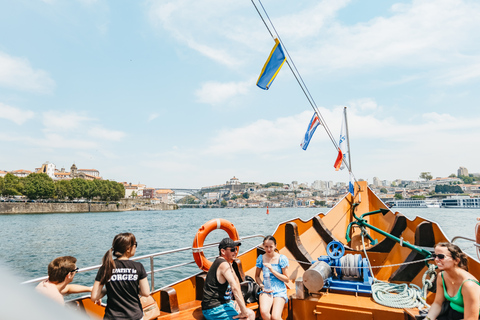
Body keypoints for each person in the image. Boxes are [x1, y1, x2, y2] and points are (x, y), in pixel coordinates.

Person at [91, 233, 150, 320]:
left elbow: (94, 297)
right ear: (128, 249)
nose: (136, 247)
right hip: (134, 316)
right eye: (135, 244)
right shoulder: (138, 266)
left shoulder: (105, 268)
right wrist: (132, 287)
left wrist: (109, 289)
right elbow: (145, 292)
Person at [202, 238, 255, 320]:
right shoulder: (223, 264)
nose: (235, 252)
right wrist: (244, 312)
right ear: (223, 251)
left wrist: (242, 305)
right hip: (213, 308)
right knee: (247, 318)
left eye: (236, 249)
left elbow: (236, 282)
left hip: (224, 303)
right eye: (232, 250)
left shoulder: (228, 263)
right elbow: (234, 287)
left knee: (251, 314)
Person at [425, 242, 480, 320]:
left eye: (441, 256)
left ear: (456, 260)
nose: (436, 260)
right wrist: (427, 319)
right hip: (452, 313)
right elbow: (438, 303)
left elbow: (471, 318)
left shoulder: (469, 285)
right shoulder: (442, 276)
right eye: (434, 256)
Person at [255, 236, 289, 320]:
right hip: (266, 288)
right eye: (266, 247)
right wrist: (262, 286)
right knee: (264, 313)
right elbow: (257, 276)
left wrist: (272, 270)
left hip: (279, 289)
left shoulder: (281, 258)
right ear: (263, 246)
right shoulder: (261, 258)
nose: (268, 249)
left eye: (271, 246)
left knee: (275, 317)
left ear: (275, 246)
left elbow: (286, 279)